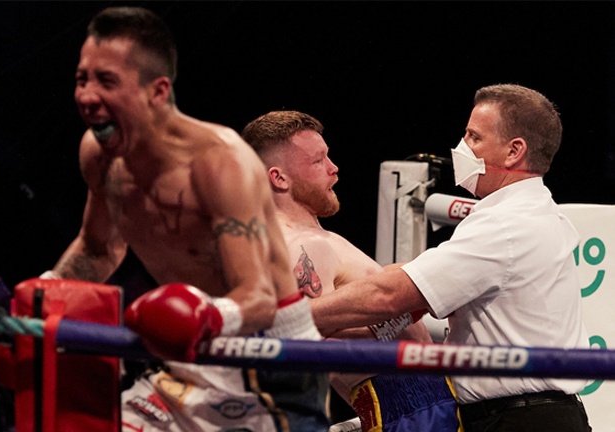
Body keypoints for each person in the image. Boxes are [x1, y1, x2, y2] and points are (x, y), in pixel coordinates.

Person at [42, 7, 329, 432]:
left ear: (157, 91)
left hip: (267, 355)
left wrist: (203, 317)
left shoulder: (219, 162)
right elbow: (99, 248)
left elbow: (258, 297)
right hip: (184, 354)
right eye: (82, 79)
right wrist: (42, 296)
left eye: (106, 82)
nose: (86, 96)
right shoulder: (100, 155)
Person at [309, 84, 592, 431]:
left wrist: (284, 319)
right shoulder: (538, 213)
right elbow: (407, 304)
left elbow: (390, 295)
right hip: (531, 415)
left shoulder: (506, 224)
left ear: (514, 151)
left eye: (474, 137)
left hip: (519, 419)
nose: (462, 148)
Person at [241, 110, 459, 431]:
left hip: (419, 401)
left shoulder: (317, 240)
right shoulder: (302, 246)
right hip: (406, 405)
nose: (334, 168)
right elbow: (309, 355)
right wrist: (398, 311)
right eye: (318, 162)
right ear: (279, 178)